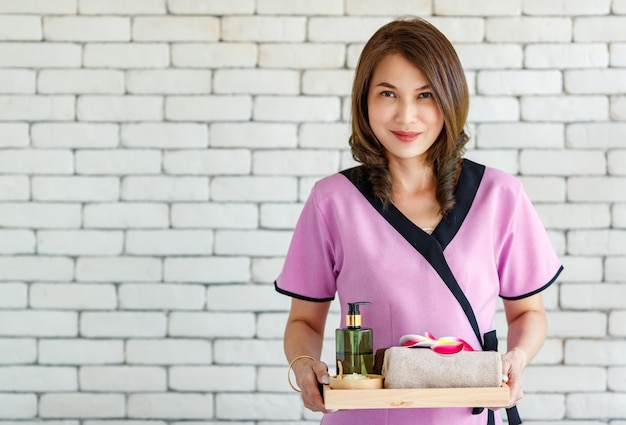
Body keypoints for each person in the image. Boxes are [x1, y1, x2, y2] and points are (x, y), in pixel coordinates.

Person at [274, 17, 562, 425]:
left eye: (425, 94)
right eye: (388, 93)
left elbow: (527, 313)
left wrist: (517, 358)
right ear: (365, 101)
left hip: (468, 416)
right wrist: (306, 367)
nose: (406, 116)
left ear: (449, 98)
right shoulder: (332, 201)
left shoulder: (500, 196)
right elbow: (303, 319)